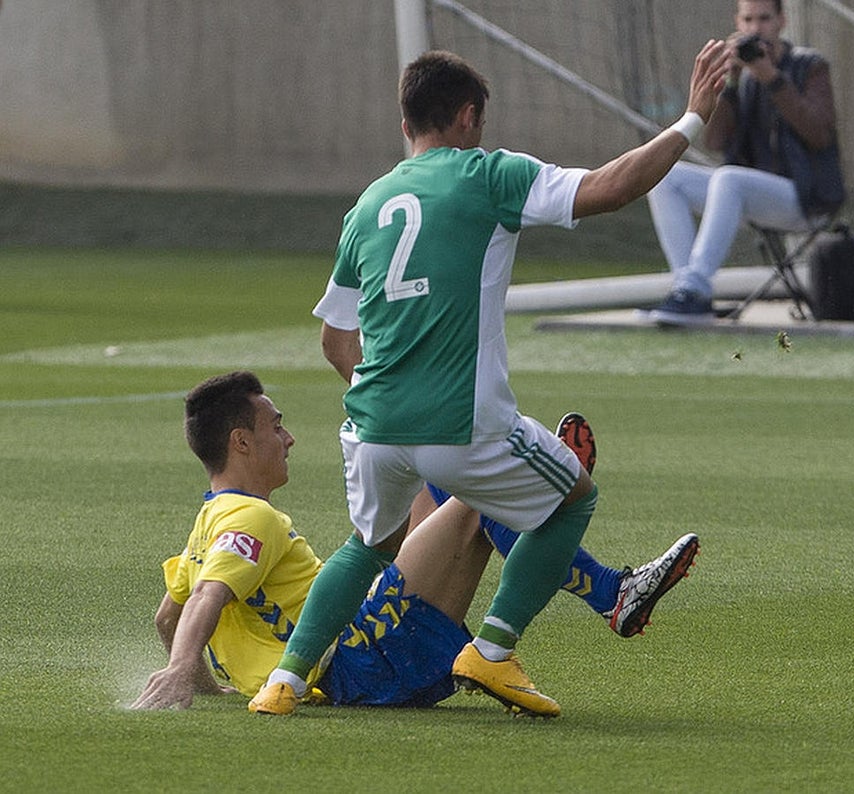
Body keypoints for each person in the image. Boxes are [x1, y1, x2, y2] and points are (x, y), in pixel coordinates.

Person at [249, 42, 729, 719]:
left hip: (374, 428)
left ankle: (286, 682)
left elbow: (335, 340)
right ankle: (495, 650)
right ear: (468, 117)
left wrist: (400, 393)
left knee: (367, 548)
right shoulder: (487, 175)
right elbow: (613, 186)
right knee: (573, 498)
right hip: (462, 421)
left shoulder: (369, 204)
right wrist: (691, 121)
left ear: (406, 122)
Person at [131, 372, 699, 711]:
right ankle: (609, 591)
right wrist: (183, 672)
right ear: (242, 442)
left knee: (433, 476)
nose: (289, 437)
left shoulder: (208, 521)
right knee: (478, 496)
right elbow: (207, 599)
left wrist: (205, 683)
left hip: (362, 643)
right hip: (365, 657)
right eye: (275, 426)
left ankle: (577, 546)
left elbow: (167, 617)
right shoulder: (253, 521)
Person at [647, 0, 843, 326]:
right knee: (666, 177)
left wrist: (772, 78)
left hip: (809, 198)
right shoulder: (744, 78)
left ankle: (694, 289)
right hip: (751, 192)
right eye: (748, 20)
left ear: (781, 21)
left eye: (764, 19)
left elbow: (819, 134)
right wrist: (731, 82)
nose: (755, 29)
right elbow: (715, 142)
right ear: (737, 22)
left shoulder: (809, 66)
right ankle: (687, 290)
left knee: (728, 178)